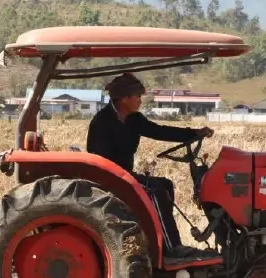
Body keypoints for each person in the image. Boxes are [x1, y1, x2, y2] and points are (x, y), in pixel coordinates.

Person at [86, 72, 215, 260]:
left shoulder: (133, 119)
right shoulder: (102, 123)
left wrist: (193, 133)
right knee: (156, 190)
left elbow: (158, 131)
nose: (140, 100)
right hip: (110, 178)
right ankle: (172, 248)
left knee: (166, 184)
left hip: (125, 175)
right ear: (124, 98)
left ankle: (161, 239)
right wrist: (126, 179)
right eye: (137, 96)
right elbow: (100, 161)